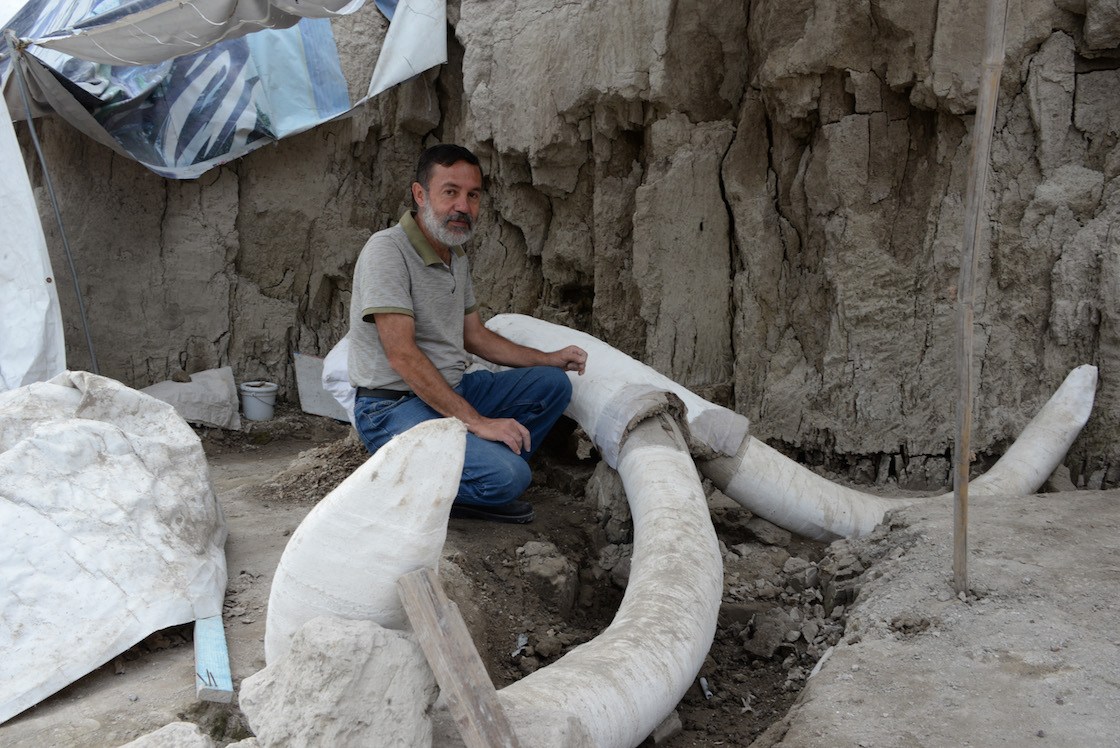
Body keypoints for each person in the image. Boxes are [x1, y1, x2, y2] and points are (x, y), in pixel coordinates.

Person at [348, 144, 588, 523]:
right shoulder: (386, 251)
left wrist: (549, 359)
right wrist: (476, 422)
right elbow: (402, 355)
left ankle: (468, 466)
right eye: (450, 192)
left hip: (450, 391)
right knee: (510, 477)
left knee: (553, 385)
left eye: (473, 195)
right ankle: (446, 485)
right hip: (392, 407)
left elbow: (475, 336)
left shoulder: (454, 254)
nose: (463, 205)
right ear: (420, 194)